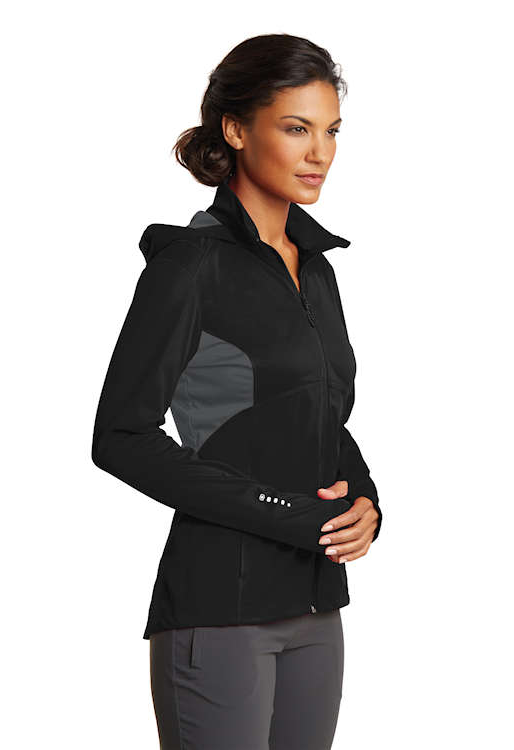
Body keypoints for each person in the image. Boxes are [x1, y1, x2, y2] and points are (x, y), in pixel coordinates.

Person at [91, 33, 383, 750]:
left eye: (331, 131)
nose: (320, 152)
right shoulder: (190, 265)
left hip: (316, 607)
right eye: (296, 128)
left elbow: (323, 415)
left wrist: (367, 501)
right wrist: (284, 513)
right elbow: (120, 437)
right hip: (220, 606)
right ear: (235, 129)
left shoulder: (316, 268)